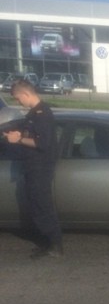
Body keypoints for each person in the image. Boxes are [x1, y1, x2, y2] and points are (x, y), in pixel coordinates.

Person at [3, 79, 63, 258]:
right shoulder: (33, 114)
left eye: (17, 98)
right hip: (33, 168)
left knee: (42, 207)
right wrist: (16, 134)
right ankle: (48, 242)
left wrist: (18, 140)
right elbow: (31, 134)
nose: (17, 102)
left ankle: (55, 246)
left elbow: (42, 143)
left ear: (26, 94)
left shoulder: (42, 114)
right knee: (37, 207)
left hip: (40, 168)